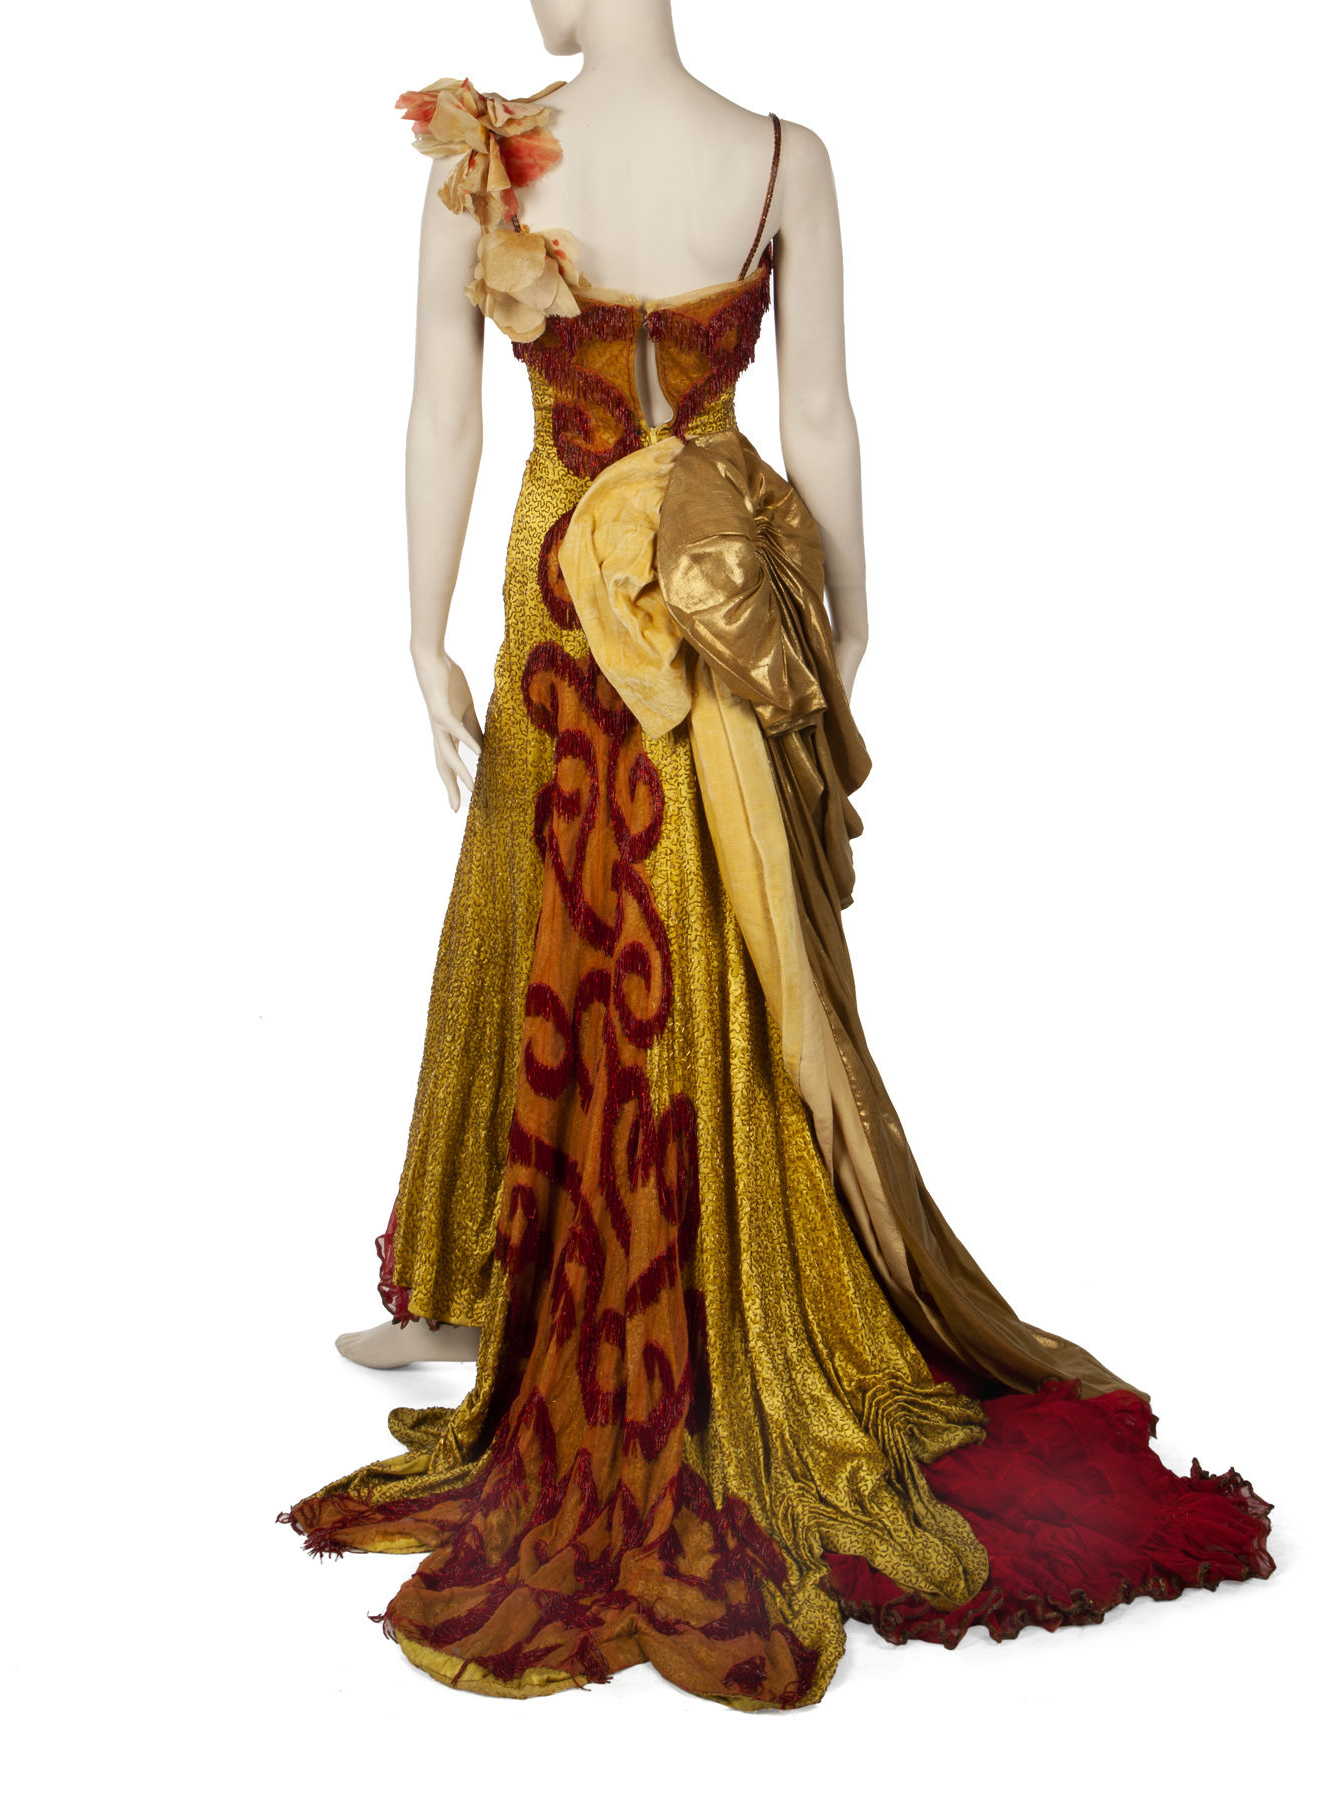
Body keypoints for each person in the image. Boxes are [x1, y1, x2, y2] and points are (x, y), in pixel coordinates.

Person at [280, 0, 1274, 1710]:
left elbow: (445, 419)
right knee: (708, 923)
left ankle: (571, 1279)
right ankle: (499, 1268)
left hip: (566, 583)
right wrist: (851, 613)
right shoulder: (782, 160)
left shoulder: (489, 163)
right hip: (731, 581)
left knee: (546, 909)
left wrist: (416, 631)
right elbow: (822, 411)